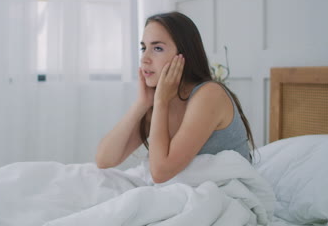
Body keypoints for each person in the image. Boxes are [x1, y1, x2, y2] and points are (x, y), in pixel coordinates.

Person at [95, 11, 255, 184]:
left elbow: (160, 173)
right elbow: (104, 160)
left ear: (184, 55)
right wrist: (142, 103)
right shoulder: (158, 101)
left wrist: (161, 102)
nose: (145, 59)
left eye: (157, 48)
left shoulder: (210, 95)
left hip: (225, 194)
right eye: (143, 48)